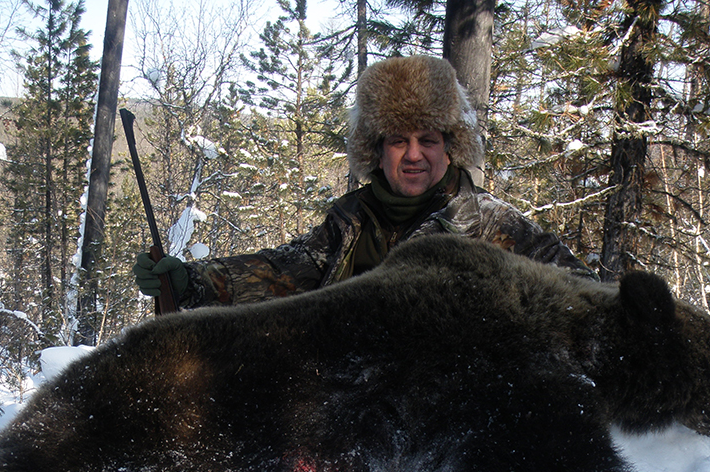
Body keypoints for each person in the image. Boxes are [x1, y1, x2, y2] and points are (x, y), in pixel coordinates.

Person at [134, 55, 591, 307]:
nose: (414, 155)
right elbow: (278, 273)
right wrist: (193, 280)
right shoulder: (350, 222)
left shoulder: (492, 226)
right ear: (376, 149)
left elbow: (586, 295)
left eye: (427, 139)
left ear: (450, 146)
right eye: (398, 140)